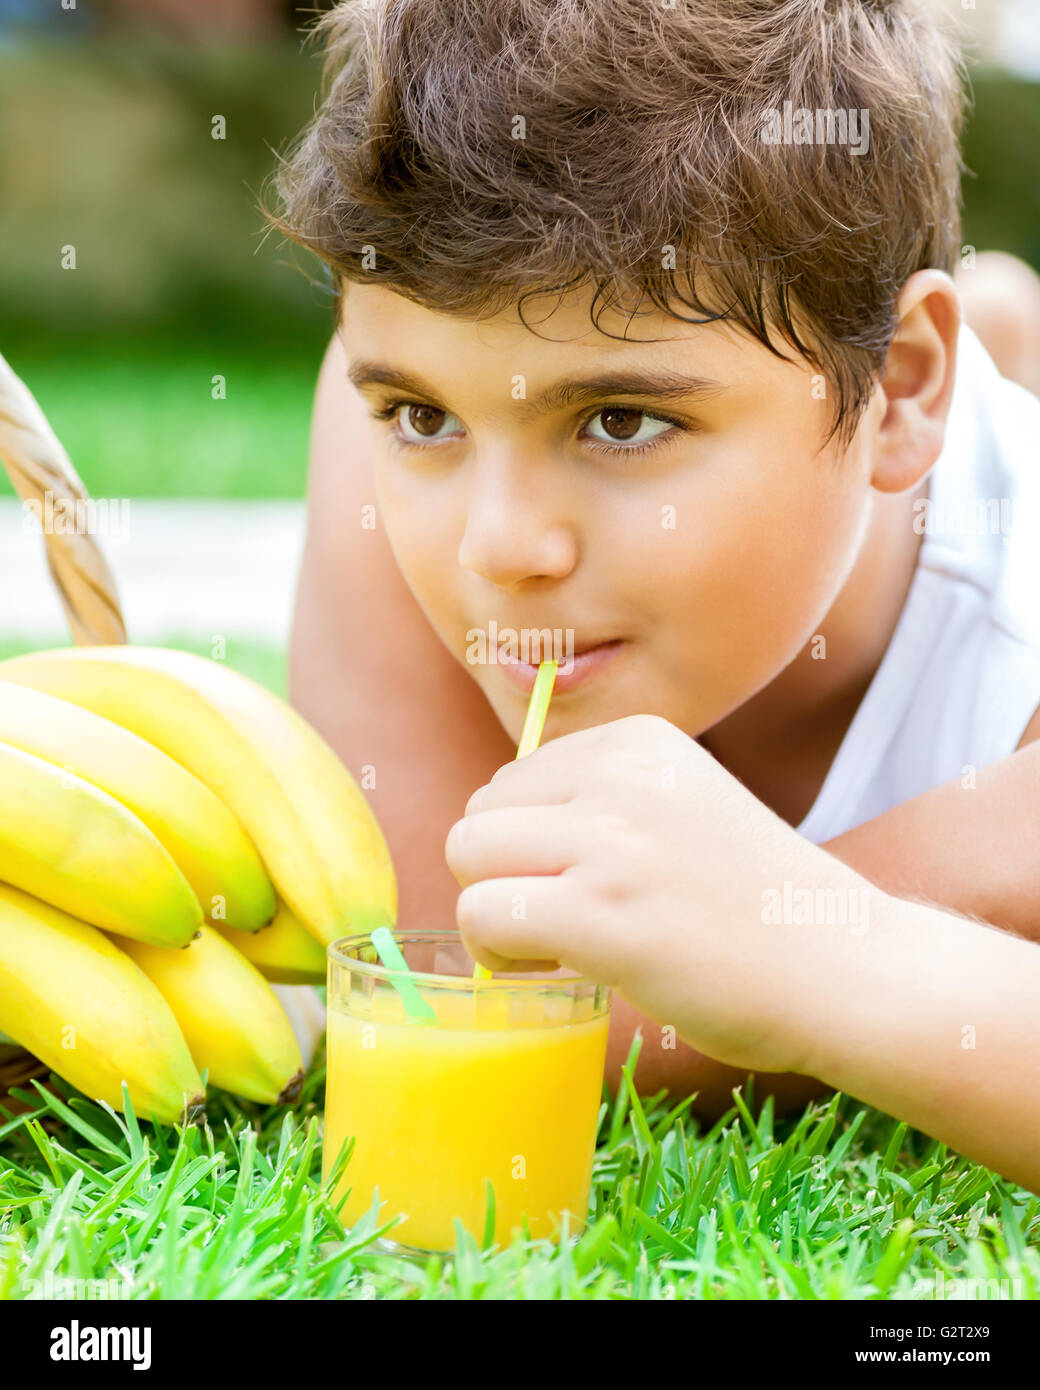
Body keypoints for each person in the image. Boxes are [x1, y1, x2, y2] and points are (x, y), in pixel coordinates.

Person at [263, 0, 1040, 1184]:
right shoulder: (413, 398)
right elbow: (449, 991)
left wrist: (841, 957)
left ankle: (997, 334)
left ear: (901, 386)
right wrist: (947, 874)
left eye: (621, 420)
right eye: (421, 417)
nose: (499, 546)